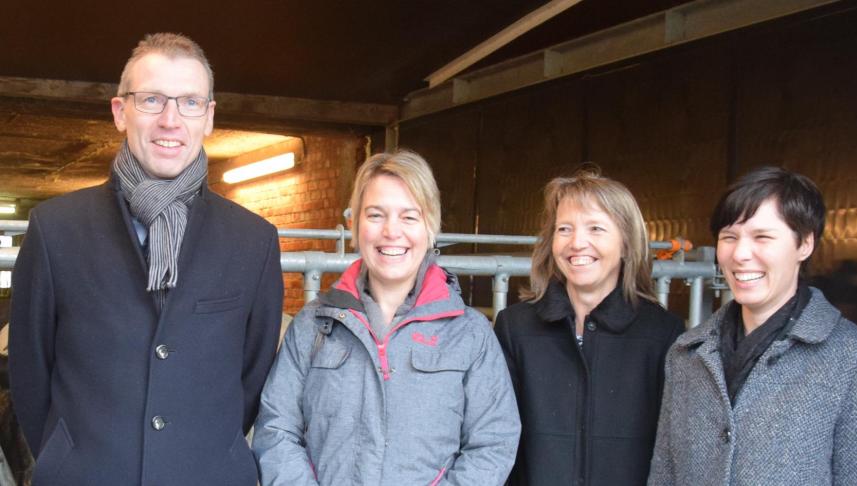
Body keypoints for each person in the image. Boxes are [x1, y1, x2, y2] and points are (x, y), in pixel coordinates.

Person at [9, 33, 283, 485]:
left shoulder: (253, 240)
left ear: (209, 117)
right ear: (120, 112)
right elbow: (29, 368)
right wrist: (66, 453)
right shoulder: (55, 229)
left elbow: (252, 376)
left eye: (190, 102)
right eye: (152, 99)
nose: (171, 120)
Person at [253, 150, 520, 485]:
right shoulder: (312, 326)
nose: (392, 232)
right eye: (376, 215)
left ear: (430, 228)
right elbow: (276, 429)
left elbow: (493, 442)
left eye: (409, 217)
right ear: (354, 225)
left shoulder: (470, 334)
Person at [649, 167, 857, 485]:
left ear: (804, 244)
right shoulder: (686, 354)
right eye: (729, 237)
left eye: (762, 237)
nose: (740, 254)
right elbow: (665, 473)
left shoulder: (851, 356)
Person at [494, 171, 684, 486]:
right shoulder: (515, 328)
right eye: (564, 229)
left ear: (626, 244)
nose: (577, 243)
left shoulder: (663, 334)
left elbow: (672, 449)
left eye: (595, 228)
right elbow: (497, 439)